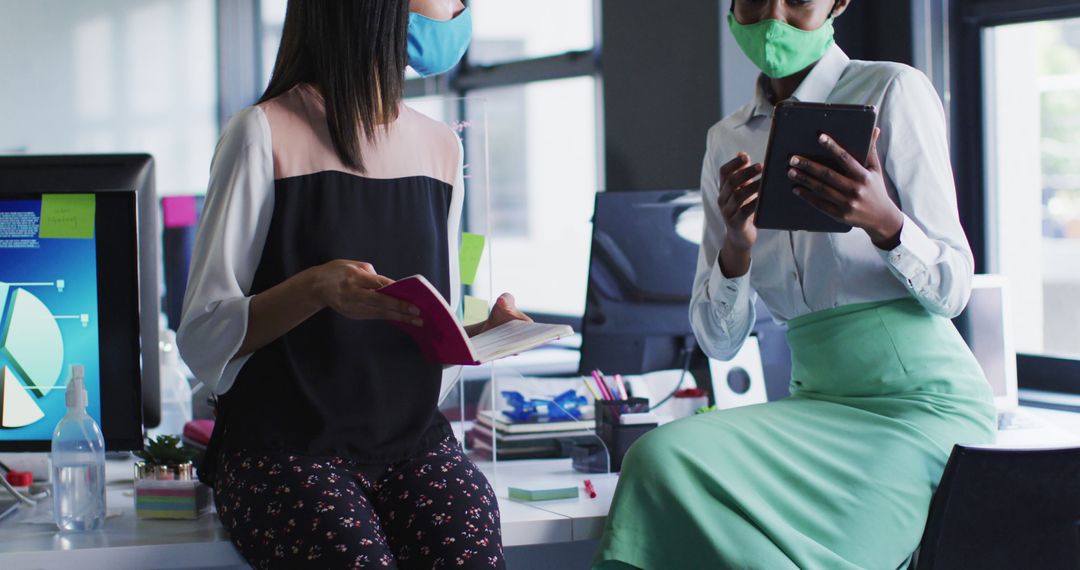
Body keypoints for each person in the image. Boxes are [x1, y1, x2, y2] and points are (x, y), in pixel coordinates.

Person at [594, 1, 996, 568]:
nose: (774, 16)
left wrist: (885, 223)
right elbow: (719, 341)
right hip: (817, 401)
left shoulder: (891, 90)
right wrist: (736, 245)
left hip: (919, 407)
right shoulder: (725, 140)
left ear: (838, 3)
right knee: (657, 459)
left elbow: (953, 288)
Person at [177, 1, 525, 567]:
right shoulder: (261, 133)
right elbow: (201, 336)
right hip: (282, 448)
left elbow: (426, 333)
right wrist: (314, 289)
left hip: (413, 443)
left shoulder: (441, 148)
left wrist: (481, 335)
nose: (456, 11)